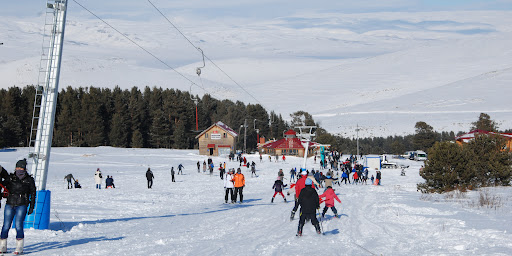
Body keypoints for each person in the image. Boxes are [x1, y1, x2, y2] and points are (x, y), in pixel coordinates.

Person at [0, 159, 36, 255]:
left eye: (20, 167)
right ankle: (2, 246)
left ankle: (19, 247)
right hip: (10, 204)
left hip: (22, 205)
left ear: (24, 168)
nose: (18, 169)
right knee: (6, 226)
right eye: (17, 167)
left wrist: (32, 206)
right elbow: (3, 185)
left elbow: (33, 193)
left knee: (19, 225)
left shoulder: (29, 180)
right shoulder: (11, 178)